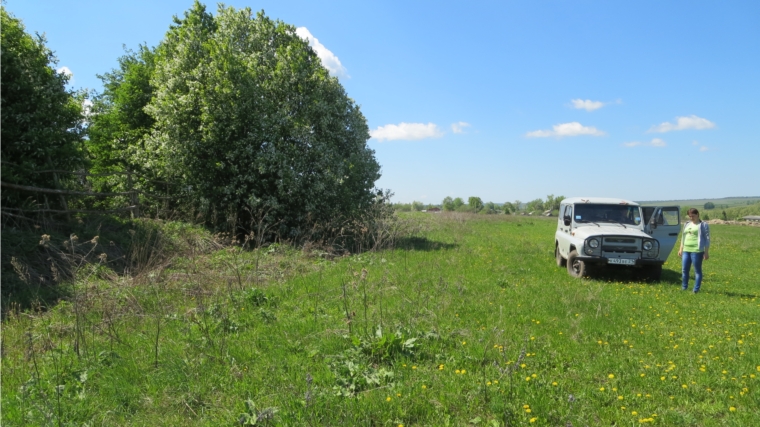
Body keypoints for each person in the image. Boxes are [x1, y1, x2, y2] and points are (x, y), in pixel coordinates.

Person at [678, 208, 710, 293]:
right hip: (686, 250)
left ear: (698, 215)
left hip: (697, 250)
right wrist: (681, 248)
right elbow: (683, 237)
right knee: (684, 270)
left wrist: (706, 252)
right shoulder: (687, 224)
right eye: (690, 216)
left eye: (693, 216)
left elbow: (707, 239)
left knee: (697, 270)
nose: (691, 218)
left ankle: (696, 289)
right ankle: (684, 287)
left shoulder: (703, 225)